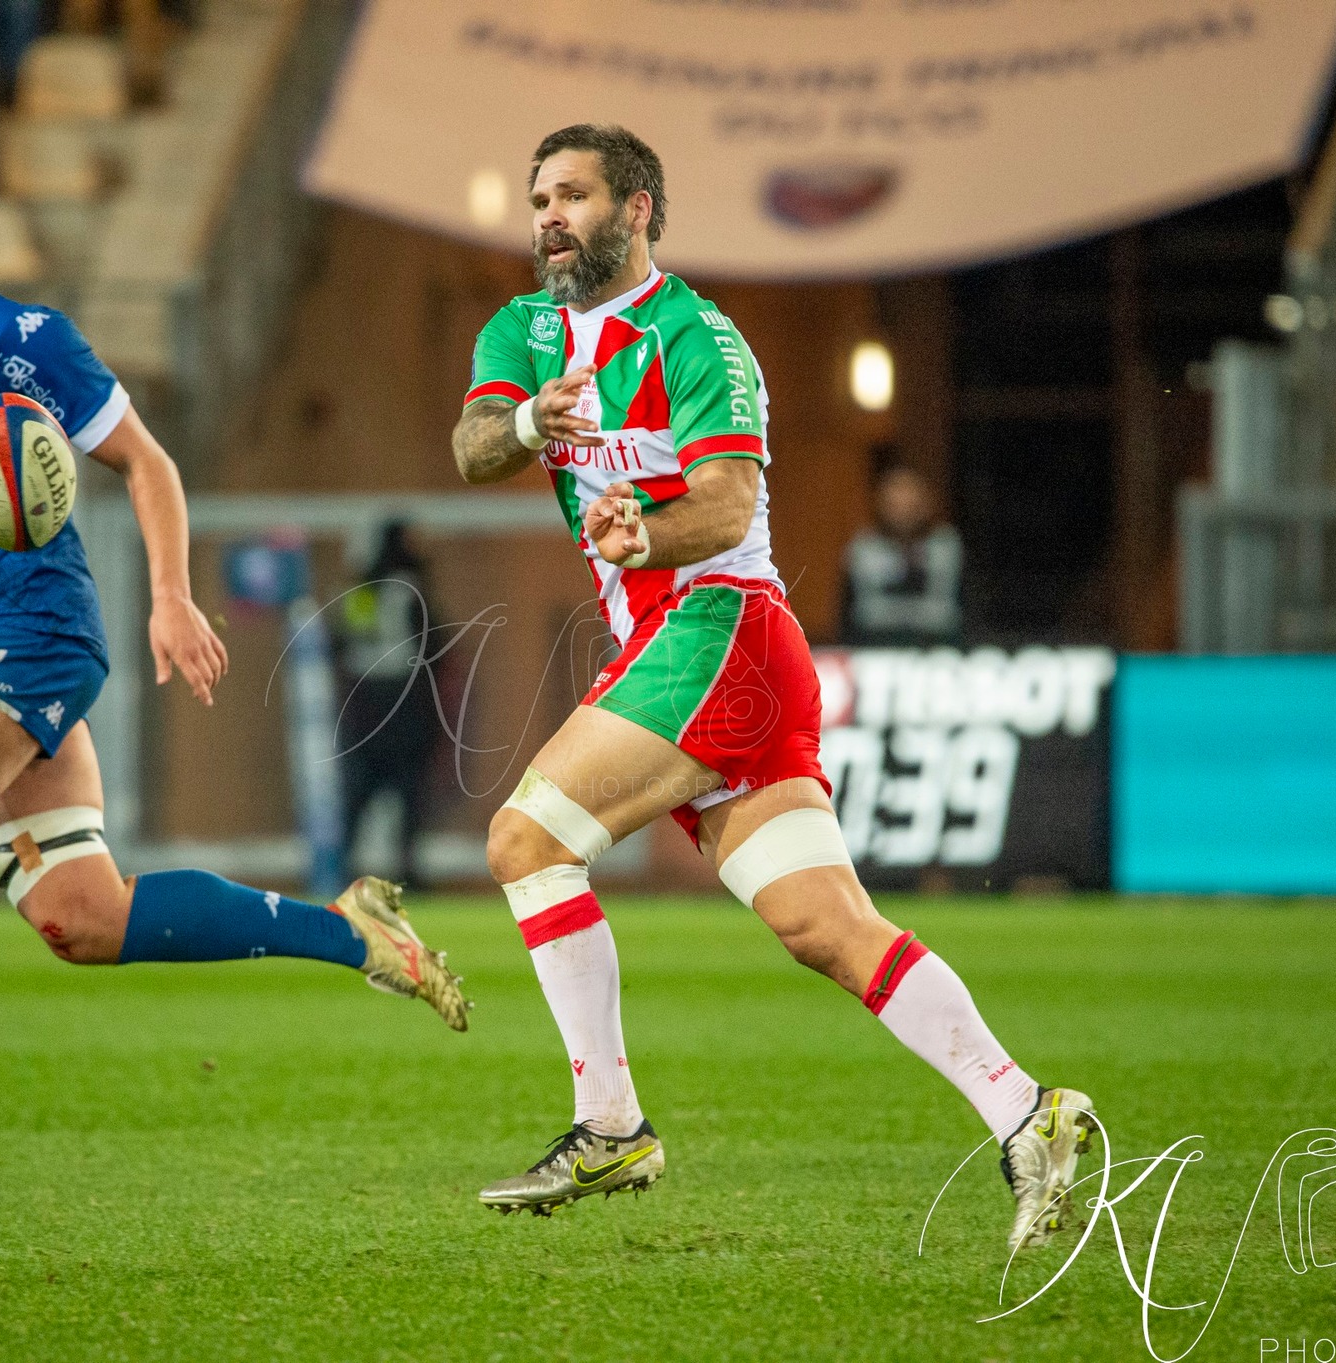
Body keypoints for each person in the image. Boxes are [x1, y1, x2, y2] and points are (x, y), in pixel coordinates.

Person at [0, 136, 467, 1206]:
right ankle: (349, 929)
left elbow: (146, 461)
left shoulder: (12, 336)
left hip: (35, 629)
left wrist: (171, 596)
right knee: (83, 917)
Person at [451, 123, 1095, 1248]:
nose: (549, 216)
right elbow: (471, 446)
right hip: (691, 652)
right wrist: (522, 420)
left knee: (525, 841)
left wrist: (637, 528)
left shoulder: (698, 338)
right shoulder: (523, 330)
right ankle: (1023, 1110)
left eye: (574, 196)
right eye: (538, 197)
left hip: (719, 630)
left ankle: (607, 1123)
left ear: (638, 209)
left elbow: (726, 507)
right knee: (823, 926)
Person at [335, 521, 442, 889]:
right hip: (402, 700)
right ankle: (409, 870)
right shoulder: (410, 588)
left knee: (358, 790)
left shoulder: (359, 591)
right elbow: (433, 646)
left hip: (362, 702)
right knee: (409, 791)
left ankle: (340, 869)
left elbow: (342, 643)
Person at [838, 463, 963, 647]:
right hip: (873, 651)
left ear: (926, 503)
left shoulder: (945, 546)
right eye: (895, 502)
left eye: (910, 502)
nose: (903, 510)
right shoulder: (864, 549)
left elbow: (952, 612)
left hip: (937, 652)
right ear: (881, 503)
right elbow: (856, 614)